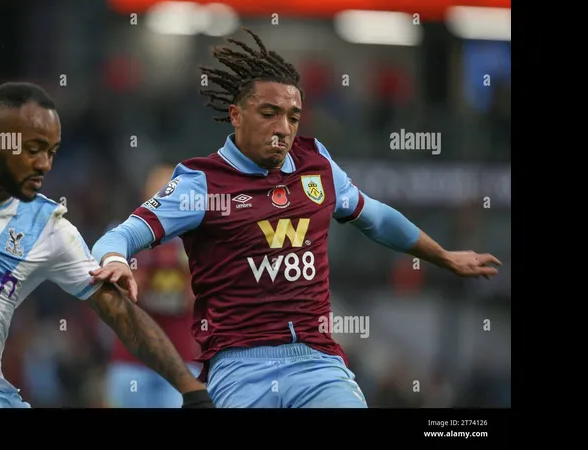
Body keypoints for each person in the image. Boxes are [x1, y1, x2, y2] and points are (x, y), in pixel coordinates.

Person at [89, 28, 501, 408]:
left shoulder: (316, 165)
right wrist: (115, 259)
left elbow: (375, 217)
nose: (283, 128)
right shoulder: (201, 183)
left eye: (293, 116)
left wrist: (443, 255)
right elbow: (119, 236)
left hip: (317, 362)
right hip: (238, 367)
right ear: (236, 115)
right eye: (269, 113)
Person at [0, 82, 214, 408]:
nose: (45, 165)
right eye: (33, 149)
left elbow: (120, 312)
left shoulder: (48, 227)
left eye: (51, 152)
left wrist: (190, 387)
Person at [104, 163, 201, 408]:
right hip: (131, 358)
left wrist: (183, 271)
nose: (165, 201)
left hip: (181, 358)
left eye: (171, 193)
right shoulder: (121, 236)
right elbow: (111, 294)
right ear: (145, 197)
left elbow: (200, 297)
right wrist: (146, 266)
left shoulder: (199, 239)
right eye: (159, 194)